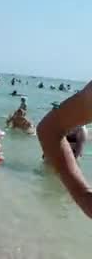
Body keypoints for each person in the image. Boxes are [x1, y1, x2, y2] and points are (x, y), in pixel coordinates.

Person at [37, 83, 92, 218]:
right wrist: (83, 193)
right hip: (62, 158)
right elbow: (49, 130)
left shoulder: (82, 131)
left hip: (72, 157)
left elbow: (78, 149)